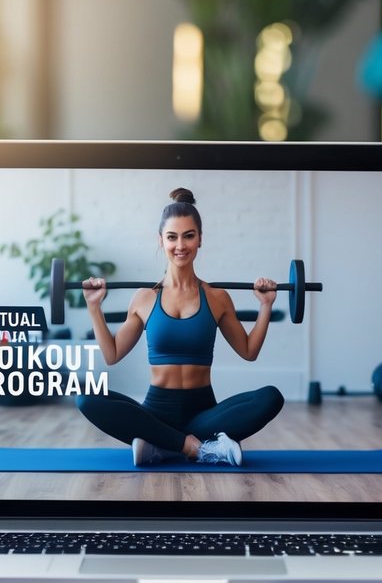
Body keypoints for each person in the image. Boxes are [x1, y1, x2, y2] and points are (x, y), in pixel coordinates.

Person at [75, 187, 285, 466]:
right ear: (160, 241)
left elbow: (249, 351)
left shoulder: (217, 297)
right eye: (172, 237)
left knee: (271, 397)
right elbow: (112, 355)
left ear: (200, 240)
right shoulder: (145, 298)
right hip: (156, 411)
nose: (180, 245)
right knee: (87, 399)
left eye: (189, 236)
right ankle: (194, 447)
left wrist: (265, 306)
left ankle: (162, 445)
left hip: (204, 412)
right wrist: (94, 306)